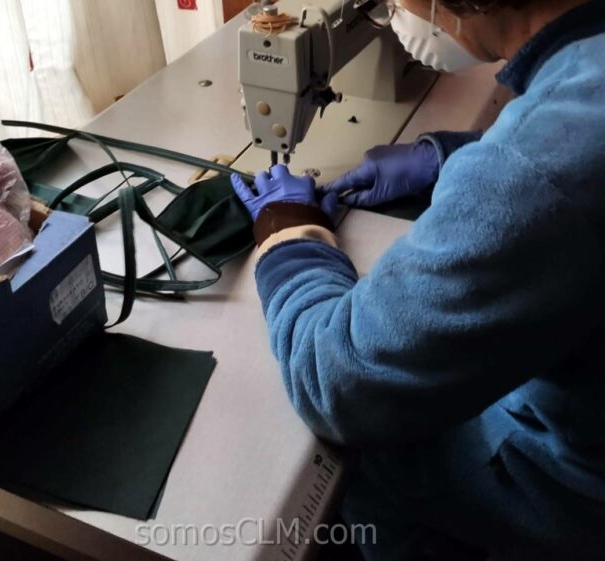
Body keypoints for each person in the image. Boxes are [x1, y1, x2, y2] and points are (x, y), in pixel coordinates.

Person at [230, 0, 605, 559]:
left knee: (370, 459)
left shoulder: (532, 174)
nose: (389, 9)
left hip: (576, 491)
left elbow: (340, 382)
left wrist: (290, 242)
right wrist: (450, 157)